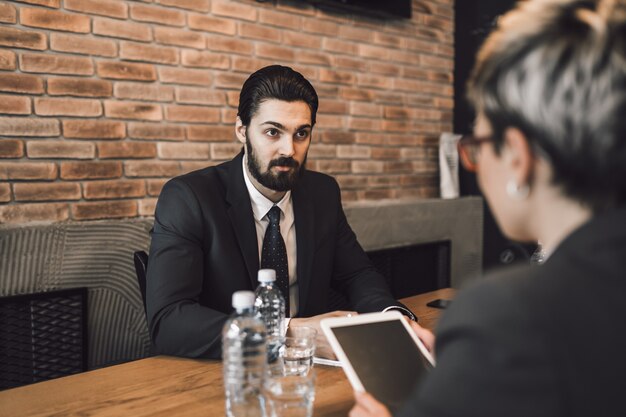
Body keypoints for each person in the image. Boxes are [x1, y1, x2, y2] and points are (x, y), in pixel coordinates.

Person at [350, 0, 626, 416]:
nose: (476, 166)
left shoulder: (504, 314)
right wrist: (470, 365)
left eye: (476, 145)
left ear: (517, 155)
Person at [146, 65, 415, 360]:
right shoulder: (189, 198)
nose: (289, 149)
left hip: (311, 368)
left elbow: (357, 273)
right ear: (241, 130)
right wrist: (286, 333)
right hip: (227, 372)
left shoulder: (322, 192)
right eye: (273, 132)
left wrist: (392, 317)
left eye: (302, 133)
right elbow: (168, 321)